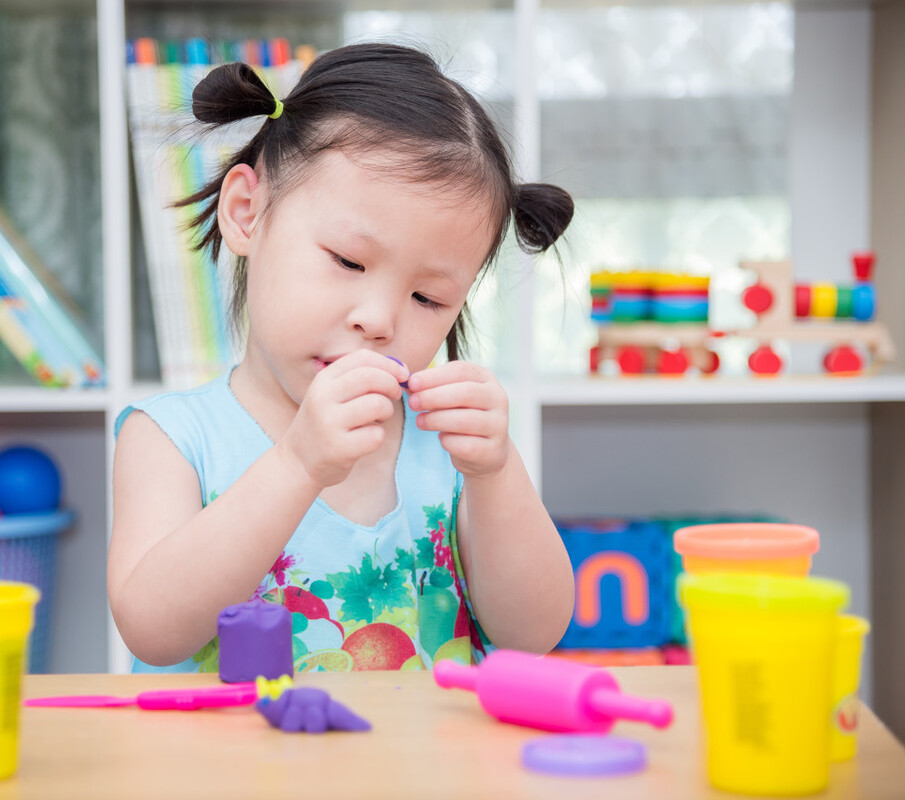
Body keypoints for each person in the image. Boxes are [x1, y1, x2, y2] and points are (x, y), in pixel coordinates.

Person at [108, 42, 575, 673]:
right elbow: (152, 630)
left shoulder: (448, 449)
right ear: (248, 213)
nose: (379, 320)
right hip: (226, 774)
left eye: (428, 297)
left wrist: (496, 474)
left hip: (420, 774)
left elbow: (534, 635)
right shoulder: (171, 438)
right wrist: (300, 463)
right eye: (348, 262)